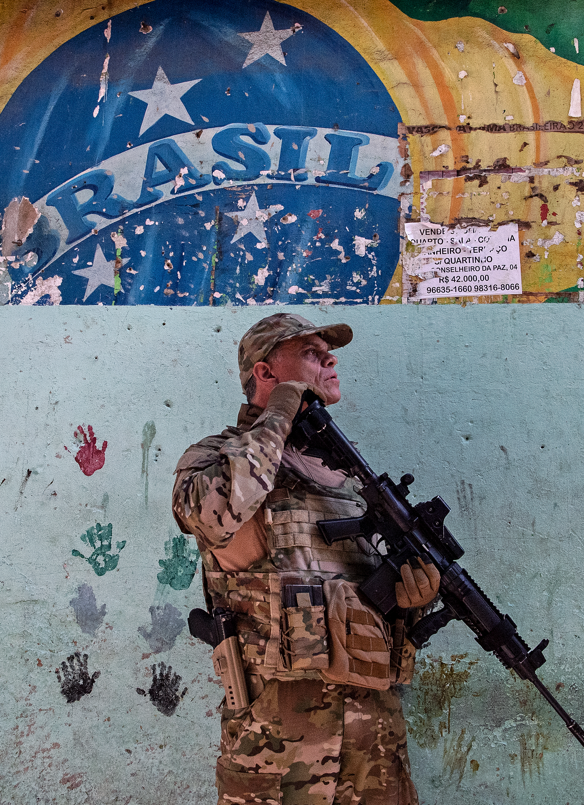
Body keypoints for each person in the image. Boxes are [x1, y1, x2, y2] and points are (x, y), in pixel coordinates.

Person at [172, 312, 441, 805]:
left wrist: (409, 601)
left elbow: (362, 598)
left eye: (328, 352)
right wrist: (281, 410)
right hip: (277, 741)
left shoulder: (350, 475)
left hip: (372, 733)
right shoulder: (214, 456)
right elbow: (215, 516)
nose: (330, 360)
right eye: (312, 354)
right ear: (266, 373)